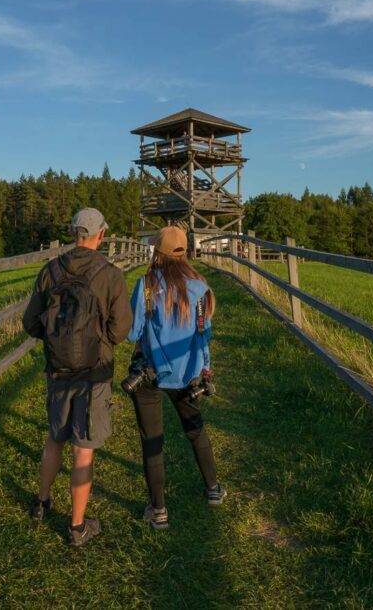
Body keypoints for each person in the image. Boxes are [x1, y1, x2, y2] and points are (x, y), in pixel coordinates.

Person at [22, 207, 133, 546]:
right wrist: (97, 341)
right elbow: (121, 329)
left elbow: (30, 323)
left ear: (74, 233)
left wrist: (58, 339)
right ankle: (76, 527)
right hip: (94, 374)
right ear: (100, 234)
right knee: (83, 450)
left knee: (54, 438)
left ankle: (41, 503)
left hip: (58, 371)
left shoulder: (50, 270)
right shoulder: (110, 275)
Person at [126, 226, 225, 530]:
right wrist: (205, 368)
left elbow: (133, 333)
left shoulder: (145, 286)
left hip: (151, 374)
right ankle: (213, 489)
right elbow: (203, 335)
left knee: (152, 440)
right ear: (185, 251)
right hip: (189, 375)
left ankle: (158, 511)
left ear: (157, 250)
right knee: (195, 430)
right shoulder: (200, 288)